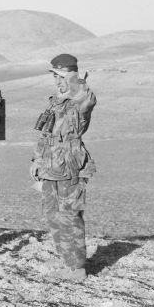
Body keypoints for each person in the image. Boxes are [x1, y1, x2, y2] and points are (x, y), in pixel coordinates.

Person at [29, 53, 96, 281]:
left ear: (71, 76)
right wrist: (36, 160)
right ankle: (67, 260)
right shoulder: (55, 101)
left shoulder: (79, 101)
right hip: (50, 167)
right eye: (55, 76)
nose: (57, 81)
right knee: (52, 215)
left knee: (70, 216)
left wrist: (76, 80)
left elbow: (88, 99)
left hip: (70, 167)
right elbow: (45, 134)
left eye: (61, 76)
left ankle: (77, 268)